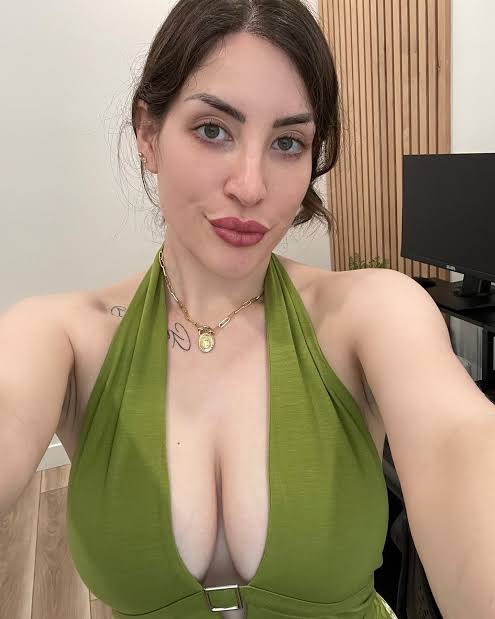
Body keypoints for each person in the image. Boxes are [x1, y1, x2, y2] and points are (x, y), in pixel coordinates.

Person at [2, 1, 494, 618]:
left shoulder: (373, 313)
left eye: (288, 142)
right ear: (148, 134)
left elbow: (460, 444)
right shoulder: (60, 336)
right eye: (214, 130)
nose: (251, 186)